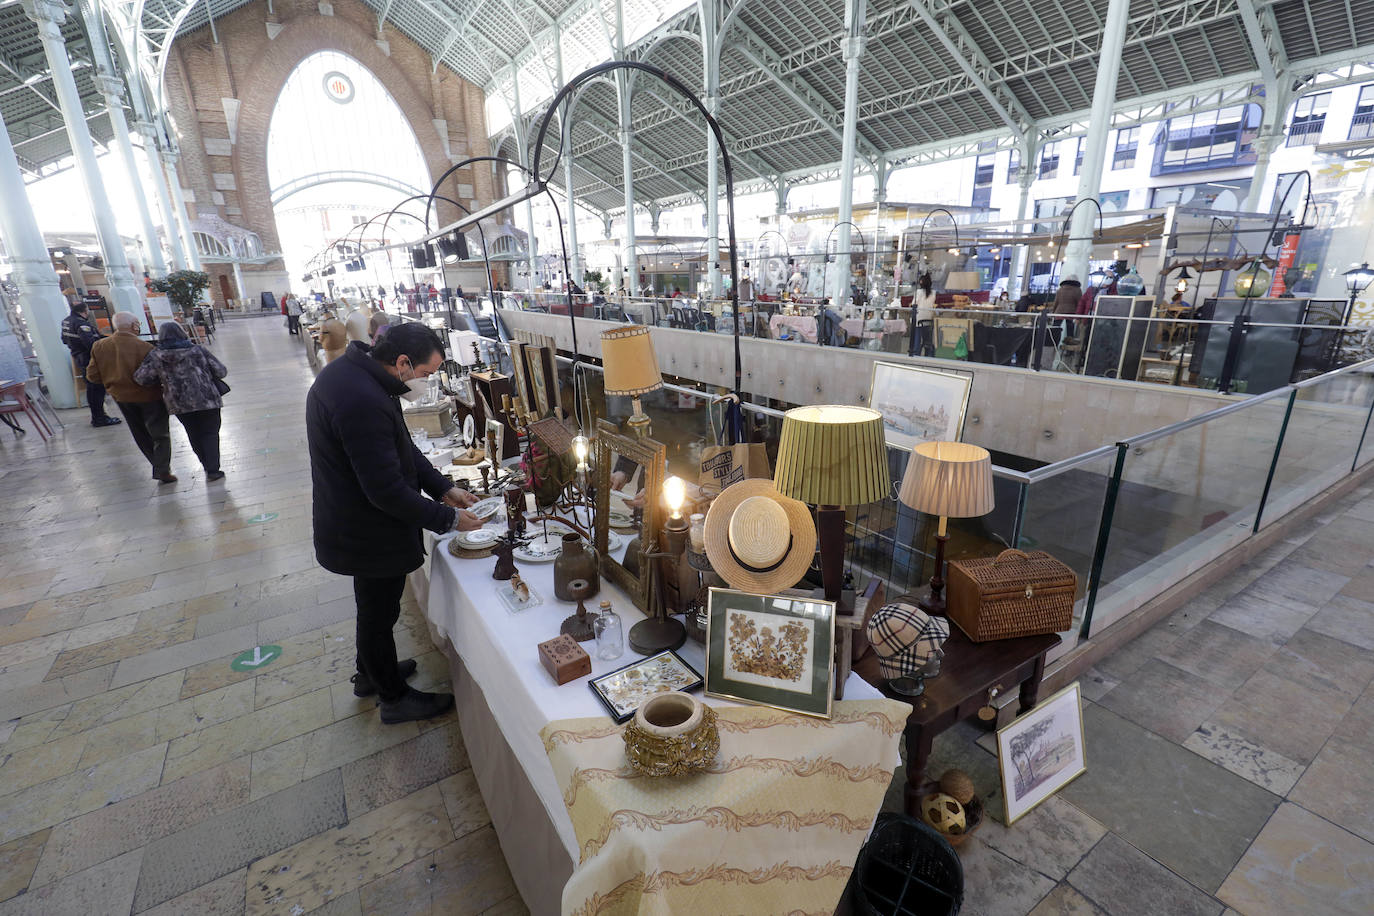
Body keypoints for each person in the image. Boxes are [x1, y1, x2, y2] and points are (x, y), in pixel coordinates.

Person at [306, 323, 482, 724]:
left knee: (377, 609)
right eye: (424, 374)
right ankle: (393, 697)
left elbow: (401, 448)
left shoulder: (359, 377)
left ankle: (371, 673)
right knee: (376, 610)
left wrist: (442, 488)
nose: (426, 382)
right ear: (402, 362)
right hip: (365, 529)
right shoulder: (361, 398)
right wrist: (450, 518)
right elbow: (384, 490)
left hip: (358, 522)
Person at [86, 312, 175, 482]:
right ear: (135, 325)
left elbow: (92, 376)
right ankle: (162, 468)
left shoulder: (99, 346)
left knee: (139, 433)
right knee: (160, 433)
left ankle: (156, 465)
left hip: (122, 398)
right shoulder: (145, 347)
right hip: (150, 396)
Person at [134, 322, 228, 482]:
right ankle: (213, 469)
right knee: (210, 433)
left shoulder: (156, 355)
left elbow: (142, 378)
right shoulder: (197, 350)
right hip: (207, 399)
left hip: (179, 403)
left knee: (193, 434)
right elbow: (221, 370)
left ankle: (206, 464)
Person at [60, 300, 121, 428]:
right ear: (85, 311)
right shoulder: (81, 324)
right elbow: (91, 344)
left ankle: (99, 417)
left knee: (92, 388)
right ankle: (99, 418)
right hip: (88, 359)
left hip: (78, 356)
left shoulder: (66, 321)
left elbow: (64, 340)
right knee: (96, 389)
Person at [909, 272, 936, 357]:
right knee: (927, 339)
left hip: (918, 319)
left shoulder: (918, 292)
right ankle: (928, 356)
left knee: (917, 340)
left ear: (921, 282)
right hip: (928, 319)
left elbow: (914, 304)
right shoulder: (933, 292)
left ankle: (915, 354)